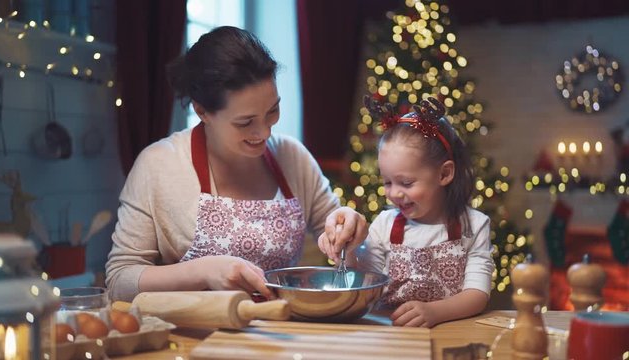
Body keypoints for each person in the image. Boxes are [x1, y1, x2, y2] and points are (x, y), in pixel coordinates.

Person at [106, 26, 366, 302]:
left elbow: (348, 247)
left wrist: (349, 232)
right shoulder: (158, 165)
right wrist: (202, 272)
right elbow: (119, 280)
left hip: (283, 331)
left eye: (272, 111)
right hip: (195, 337)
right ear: (202, 111)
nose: (265, 132)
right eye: (246, 122)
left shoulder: (293, 157)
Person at [319, 97, 494, 328]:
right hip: (390, 334)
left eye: (407, 183)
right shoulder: (384, 225)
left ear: (444, 174)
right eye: (388, 182)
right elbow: (365, 284)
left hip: (450, 331)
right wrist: (346, 251)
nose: (395, 194)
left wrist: (434, 312)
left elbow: (477, 294)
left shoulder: (474, 225)